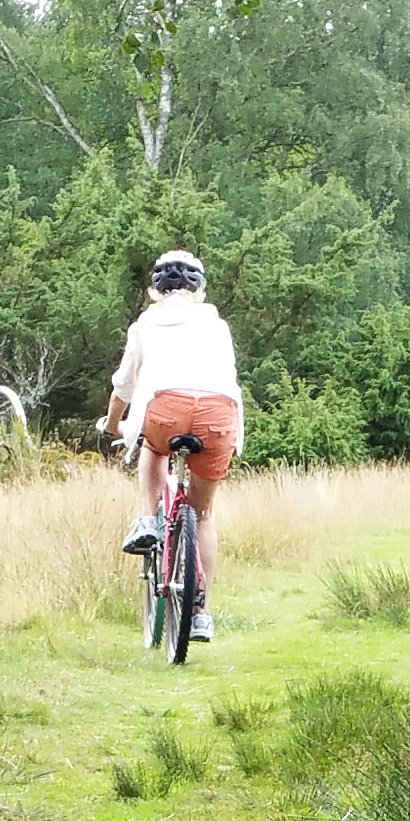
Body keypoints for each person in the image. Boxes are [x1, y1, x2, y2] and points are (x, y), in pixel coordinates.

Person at [100, 248, 240, 642]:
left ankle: (147, 520)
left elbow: (123, 388)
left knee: (152, 448)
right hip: (218, 415)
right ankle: (200, 614)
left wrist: (114, 426)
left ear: (155, 289)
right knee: (204, 514)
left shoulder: (146, 323)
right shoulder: (218, 326)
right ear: (200, 288)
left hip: (166, 409)